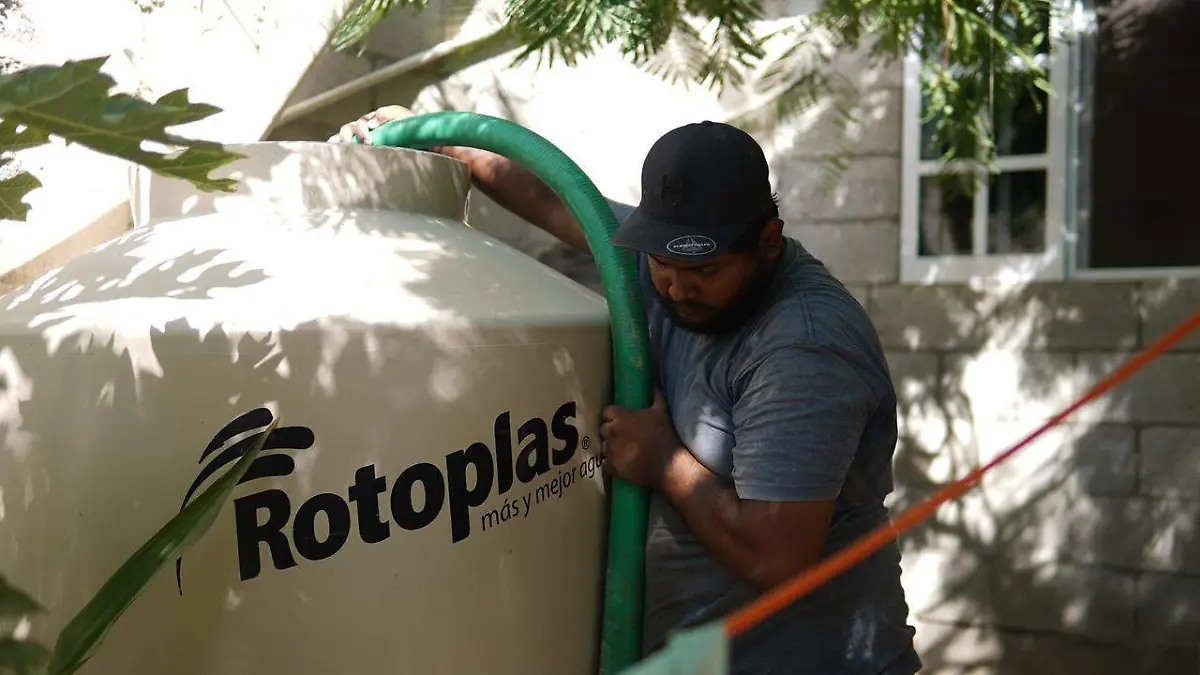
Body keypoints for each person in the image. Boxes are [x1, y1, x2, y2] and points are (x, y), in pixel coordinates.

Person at [332, 107, 922, 675]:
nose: (675, 287)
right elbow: (553, 200)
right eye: (662, 263)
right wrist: (442, 138)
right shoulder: (668, 263)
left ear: (769, 241)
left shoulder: (801, 347)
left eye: (705, 272)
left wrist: (665, 460)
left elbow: (777, 554)